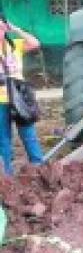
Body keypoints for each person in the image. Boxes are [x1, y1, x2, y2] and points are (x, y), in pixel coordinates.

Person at [0, 15, 44, 174]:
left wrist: (16, 29)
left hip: (20, 98)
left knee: (29, 135)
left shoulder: (15, 45)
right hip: (1, 102)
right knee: (3, 141)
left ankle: (40, 169)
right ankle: (6, 177)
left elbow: (35, 43)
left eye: (1, 27)